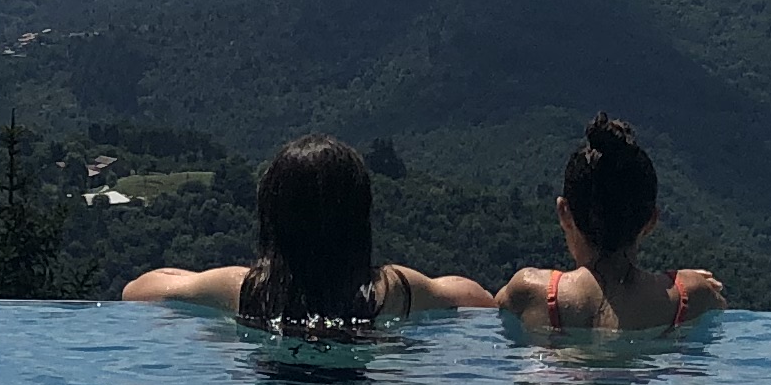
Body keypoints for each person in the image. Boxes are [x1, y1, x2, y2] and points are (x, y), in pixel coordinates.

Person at [122, 134, 494, 329]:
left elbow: (137, 291)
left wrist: (209, 279)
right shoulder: (395, 288)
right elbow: (480, 300)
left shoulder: (244, 288)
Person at [500, 115, 726, 333]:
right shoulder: (692, 297)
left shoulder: (530, 292)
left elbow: (486, 307)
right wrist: (682, 282)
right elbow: (722, 312)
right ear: (651, 221)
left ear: (564, 212)